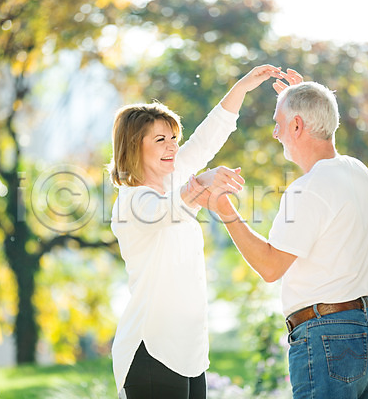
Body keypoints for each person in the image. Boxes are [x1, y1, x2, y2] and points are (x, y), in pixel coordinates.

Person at [190, 74, 368, 398]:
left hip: (327, 338)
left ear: (297, 125)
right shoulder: (358, 171)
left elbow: (270, 267)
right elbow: (320, 138)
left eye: (278, 123)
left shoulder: (307, 189)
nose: (275, 133)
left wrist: (224, 209)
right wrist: (305, 102)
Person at [108, 65, 284, 399]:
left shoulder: (173, 182)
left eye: (174, 138)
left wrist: (242, 87)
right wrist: (201, 182)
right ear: (134, 146)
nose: (172, 147)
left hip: (189, 355)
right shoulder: (132, 201)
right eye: (160, 140)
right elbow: (164, 211)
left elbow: (206, 140)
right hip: (151, 351)